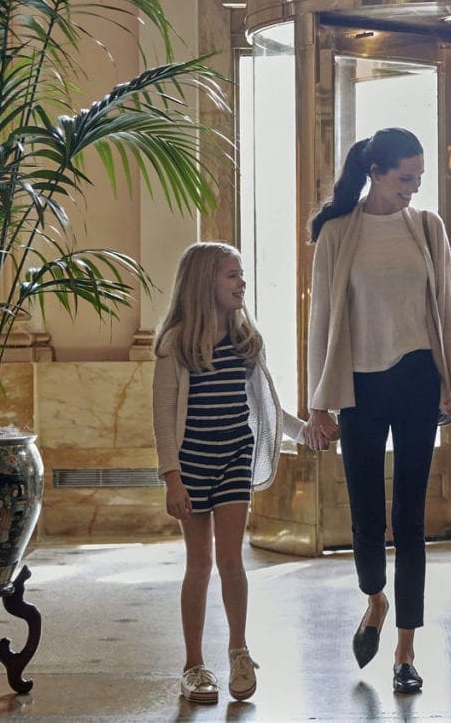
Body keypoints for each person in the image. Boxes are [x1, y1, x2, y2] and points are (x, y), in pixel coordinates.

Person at [302, 127, 451, 695]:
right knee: (365, 512)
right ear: (376, 171)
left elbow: (447, 306)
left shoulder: (427, 227)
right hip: (359, 385)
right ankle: (374, 597)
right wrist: (319, 404)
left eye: (418, 180)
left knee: (410, 518)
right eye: (405, 178)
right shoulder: (337, 232)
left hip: (418, 378)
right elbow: (322, 319)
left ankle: (405, 649)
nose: (412, 188)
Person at [152, 242, 284, 704]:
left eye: (242, 274)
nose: (241, 282)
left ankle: (239, 651)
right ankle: (193, 664)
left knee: (232, 561)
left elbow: (267, 403)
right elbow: (164, 417)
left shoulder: (247, 340)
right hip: (192, 464)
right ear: (204, 283)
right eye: (232, 275)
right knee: (200, 564)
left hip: (233, 457)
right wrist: (172, 476)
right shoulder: (177, 344)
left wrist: (309, 431)